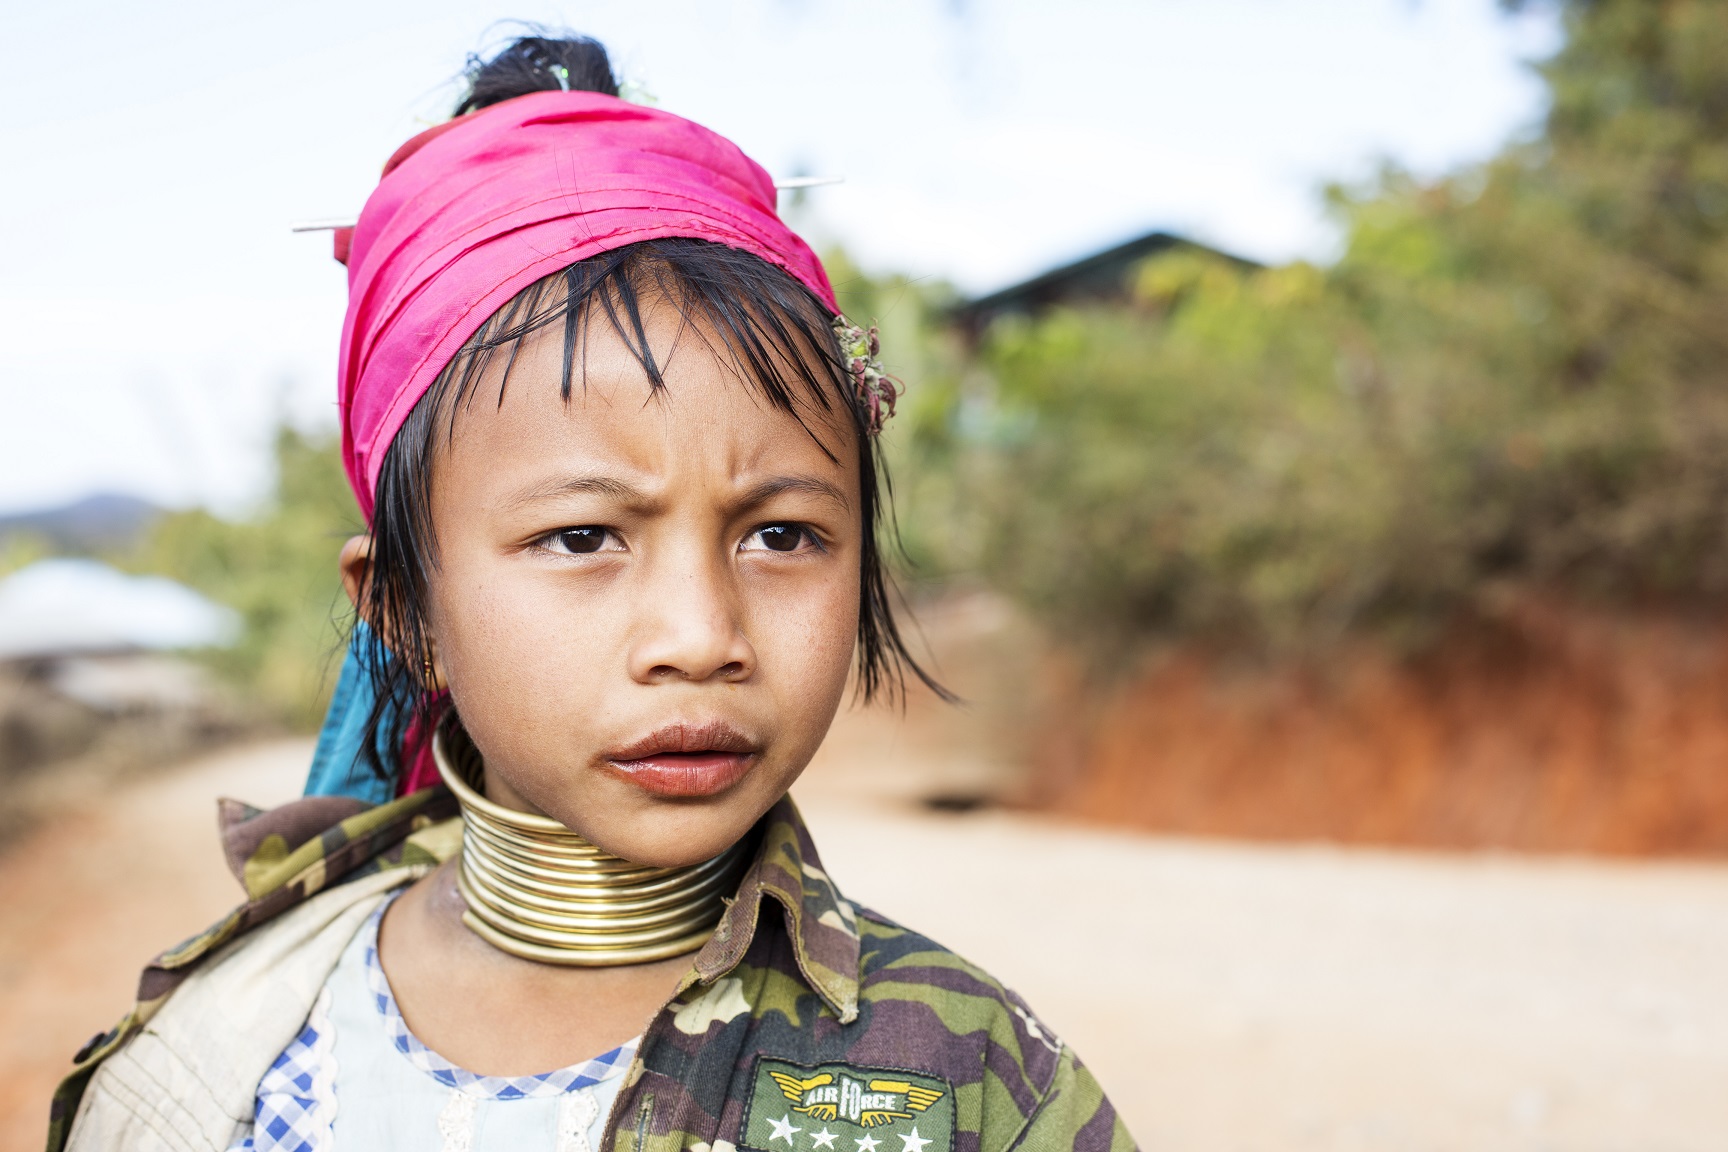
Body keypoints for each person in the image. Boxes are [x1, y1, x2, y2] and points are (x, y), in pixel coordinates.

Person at [49, 32, 1135, 1152]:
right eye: (581, 536)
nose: (700, 637)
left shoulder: (965, 1083)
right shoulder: (213, 1061)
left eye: (780, 533)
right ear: (403, 611)